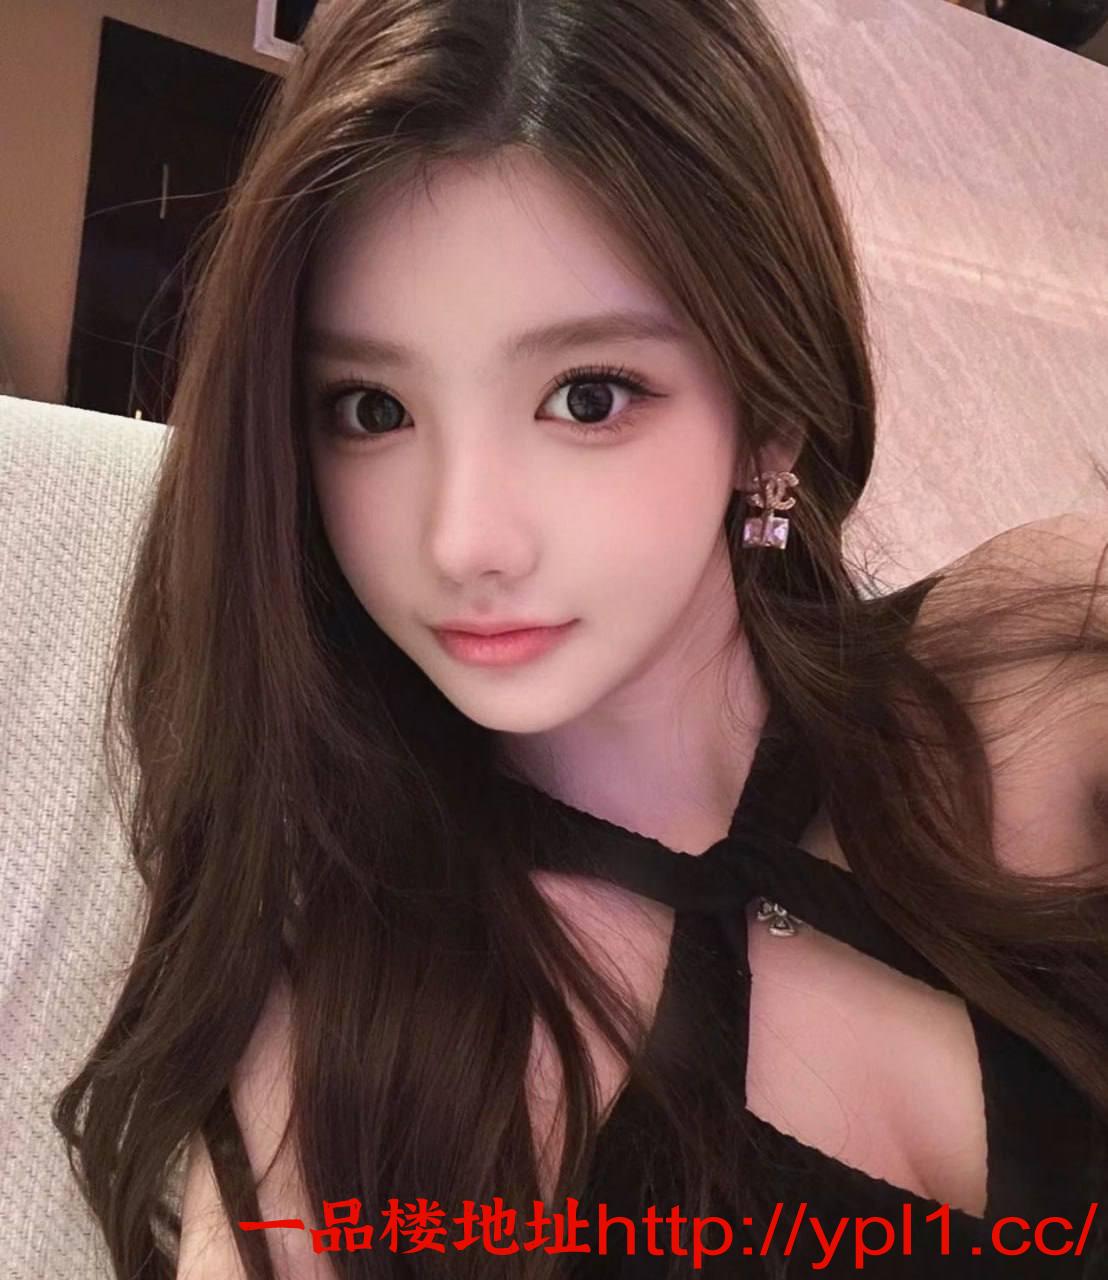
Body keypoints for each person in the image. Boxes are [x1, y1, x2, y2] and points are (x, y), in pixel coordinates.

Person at [52, 0, 1108, 1277]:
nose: (462, 539)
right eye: (371, 408)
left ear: (768, 417)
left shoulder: (1037, 664)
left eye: (586, 395)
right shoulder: (361, 1070)